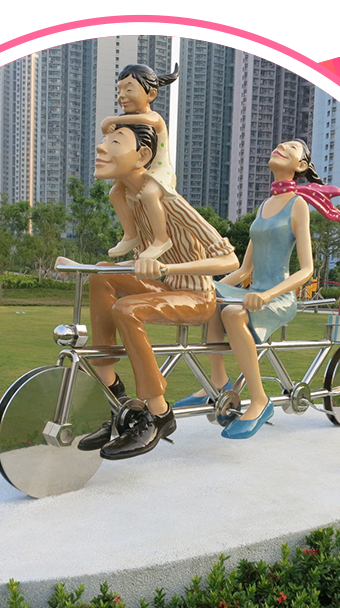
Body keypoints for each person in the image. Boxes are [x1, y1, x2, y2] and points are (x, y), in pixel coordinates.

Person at [58, 122, 238, 461]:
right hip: (163, 287)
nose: (101, 147)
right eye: (104, 140)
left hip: (197, 296)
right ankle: (112, 391)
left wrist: (170, 269)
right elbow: (139, 258)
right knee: (101, 275)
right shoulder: (127, 198)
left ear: (142, 155)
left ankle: (158, 413)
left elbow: (229, 259)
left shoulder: (169, 201)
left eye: (115, 142)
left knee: (127, 309)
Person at [174, 139, 340, 440]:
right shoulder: (264, 206)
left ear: (301, 165)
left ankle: (260, 401)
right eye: (281, 144)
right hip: (252, 294)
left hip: (278, 298)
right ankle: (218, 381)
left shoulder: (297, 204)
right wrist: (208, 286)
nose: (282, 147)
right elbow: (244, 270)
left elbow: (307, 269)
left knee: (233, 314)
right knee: (212, 300)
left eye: (292, 148)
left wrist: (265, 295)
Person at [100, 63, 180, 261]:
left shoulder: (153, 118)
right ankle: (130, 235)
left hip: (160, 170)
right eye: (119, 90)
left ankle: (161, 239)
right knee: (115, 192)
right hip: (141, 169)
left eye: (129, 89)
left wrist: (112, 120)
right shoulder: (126, 120)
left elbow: (148, 121)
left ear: (151, 94)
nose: (122, 96)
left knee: (150, 193)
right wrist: (110, 126)